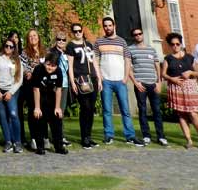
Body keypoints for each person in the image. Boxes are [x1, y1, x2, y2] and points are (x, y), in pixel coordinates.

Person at [95, 17, 142, 146]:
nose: (107, 28)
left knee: (125, 110)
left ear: (114, 25)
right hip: (106, 81)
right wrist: (100, 77)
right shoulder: (99, 42)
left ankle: (130, 136)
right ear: (103, 27)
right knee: (107, 110)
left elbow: (127, 60)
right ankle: (108, 135)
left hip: (120, 81)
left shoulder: (122, 41)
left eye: (110, 25)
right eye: (105, 26)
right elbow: (95, 60)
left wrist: (126, 77)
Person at [162, 32, 198, 148]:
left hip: (190, 87)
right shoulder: (168, 58)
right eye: (173, 44)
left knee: (193, 113)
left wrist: (190, 72)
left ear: (181, 44)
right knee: (181, 115)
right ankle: (189, 140)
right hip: (176, 87)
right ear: (170, 46)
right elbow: (163, 74)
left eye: (177, 44)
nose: (175, 46)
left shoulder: (190, 57)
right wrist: (172, 79)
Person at [129, 27, 167, 146]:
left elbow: (157, 66)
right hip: (140, 84)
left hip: (153, 84)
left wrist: (159, 82)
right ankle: (146, 135)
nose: (138, 36)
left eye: (140, 33)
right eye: (135, 34)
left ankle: (161, 136)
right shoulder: (130, 50)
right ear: (133, 37)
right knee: (143, 110)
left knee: (157, 110)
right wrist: (136, 82)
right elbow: (129, 68)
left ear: (143, 35)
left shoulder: (151, 49)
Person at [66, 22, 100, 148]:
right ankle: (84, 137)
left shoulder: (89, 44)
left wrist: (99, 78)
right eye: (75, 31)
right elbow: (70, 66)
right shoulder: (70, 46)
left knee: (91, 109)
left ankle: (89, 136)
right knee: (85, 107)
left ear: (82, 31)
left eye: (79, 30)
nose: (78, 33)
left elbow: (94, 62)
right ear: (72, 33)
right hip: (80, 80)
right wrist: (72, 82)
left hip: (93, 79)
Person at [0, 38, 23, 153]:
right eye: (6, 46)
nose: (8, 48)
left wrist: (10, 92)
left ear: (14, 48)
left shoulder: (17, 60)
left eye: (11, 46)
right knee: (2, 116)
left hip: (11, 90)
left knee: (13, 114)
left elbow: (19, 79)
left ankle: (17, 142)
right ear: (3, 46)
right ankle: (8, 141)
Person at [31, 51, 68, 155]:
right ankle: (40, 147)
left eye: (53, 66)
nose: (50, 68)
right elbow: (36, 89)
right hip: (39, 98)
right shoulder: (38, 70)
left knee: (57, 122)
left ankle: (59, 146)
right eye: (48, 65)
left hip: (52, 98)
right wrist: (37, 108)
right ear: (44, 63)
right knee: (39, 121)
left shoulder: (59, 72)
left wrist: (57, 107)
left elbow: (59, 89)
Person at [20, 28, 46, 150]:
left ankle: (44, 137)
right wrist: (29, 72)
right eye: (30, 36)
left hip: (44, 86)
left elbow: (49, 65)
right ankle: (34, 138)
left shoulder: (44, 51)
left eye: (34, 35)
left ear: (38, 37)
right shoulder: (25, 52)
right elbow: (23, 67)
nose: (33, 38)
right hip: (31, 86)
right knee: (33, 112)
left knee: (44, 112)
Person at [50, 31, 71, 148]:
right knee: (56, 111)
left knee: (61, 111)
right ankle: (57, 136)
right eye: (59, 39)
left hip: (65, 85)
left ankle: (60, 136)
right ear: (56, 40)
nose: (61, 42)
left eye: (63, 40)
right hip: (55, 85)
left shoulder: (67, 53)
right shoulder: (53, 52)